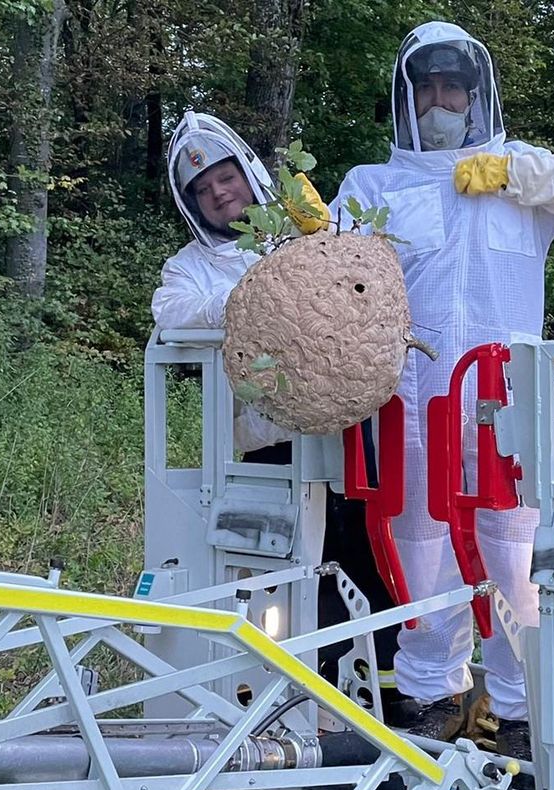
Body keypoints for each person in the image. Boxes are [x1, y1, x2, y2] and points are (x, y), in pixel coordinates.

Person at [329, 22, 554, 757]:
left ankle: (523, 707)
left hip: (501, 404)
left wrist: (518, 175)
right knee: (420, 553)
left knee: (512, 557)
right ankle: (436, 692)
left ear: (476, 95)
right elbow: (330, 278)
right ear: (406, 97)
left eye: (451, 87)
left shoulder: (519, 172)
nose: (439, 100)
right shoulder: (373, 186)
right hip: (408, 401)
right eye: (426, 87)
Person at [152, 111, 406, 712]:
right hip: (266, 447)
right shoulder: (189, 267)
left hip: (352, 438)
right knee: (292, 572)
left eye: (224, 178)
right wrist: (261, 300)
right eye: (203, 189)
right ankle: (305, 703)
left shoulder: (309, 228)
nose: (218, 193)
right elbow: (173, 315)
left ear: (245, 172)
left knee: (372, 559)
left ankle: (395, 697)